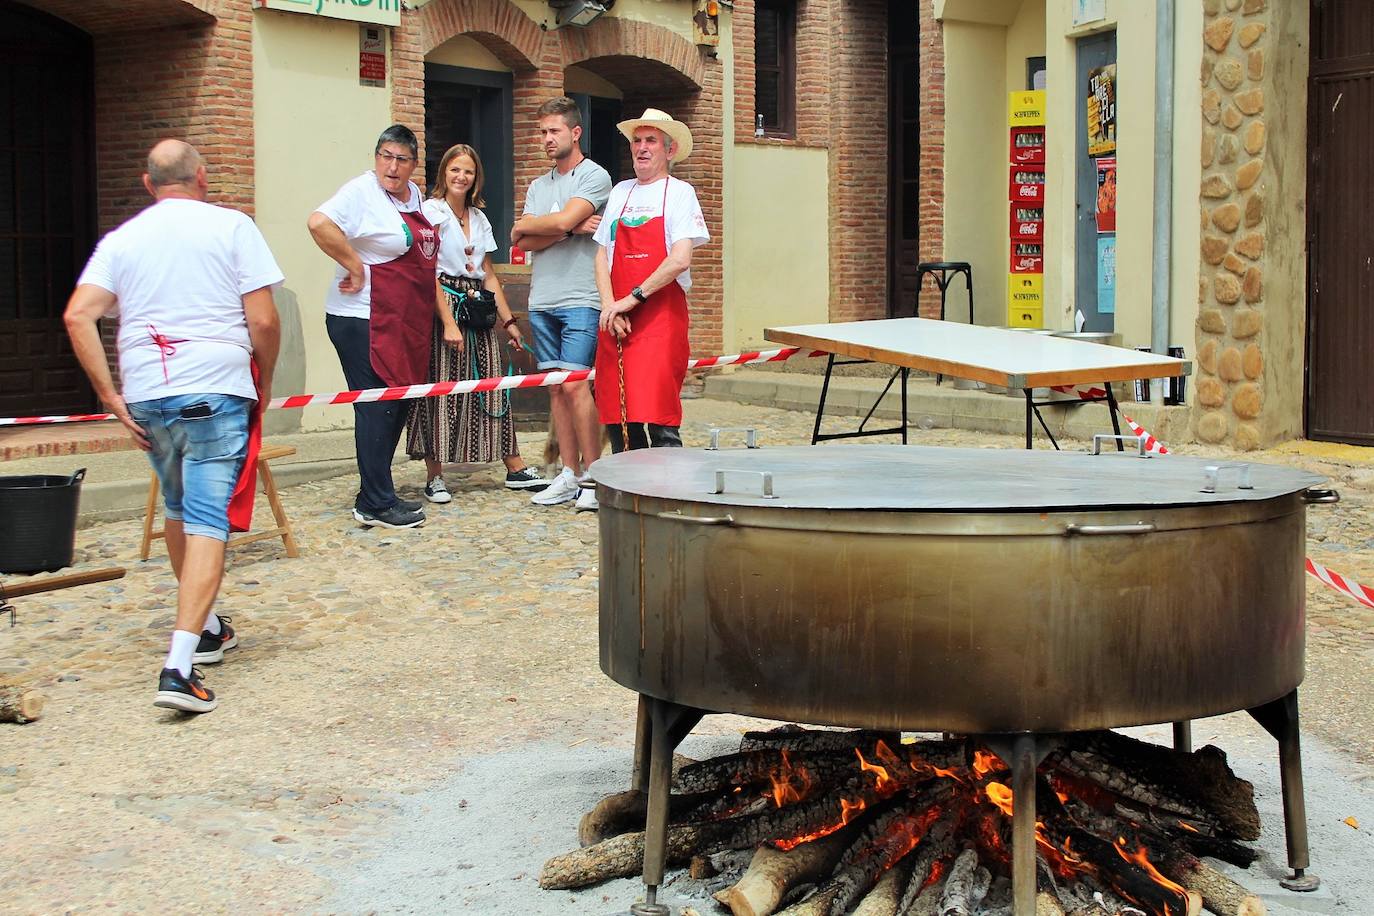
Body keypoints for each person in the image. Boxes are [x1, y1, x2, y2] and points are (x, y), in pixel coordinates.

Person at [63, 140, 282, 714]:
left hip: (149, 393)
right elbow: (262, 318)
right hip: (214, 383)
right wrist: (263, 379)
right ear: (203, 177)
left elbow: (77, 313)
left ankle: (207, 628)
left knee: (180, 512)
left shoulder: (121, 240)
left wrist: (111, 395)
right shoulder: (232, 227)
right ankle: (178, 668)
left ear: (147, 183)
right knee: (208, 518)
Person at [308, 124, 437, 529]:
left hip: (402, 320)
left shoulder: (415, 196)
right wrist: (354, 264)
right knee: (377, 407)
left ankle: (376, 491)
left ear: (414, 165)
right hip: (362, 318)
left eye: (401, 159)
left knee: (397, 403)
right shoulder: (360, 192)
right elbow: (318, 223)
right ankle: (375, 504)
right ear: (376, 157)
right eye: (385, 156)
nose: (392, 166)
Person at [405, 143, 548, 501]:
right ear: (444, 173)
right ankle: (435, 475)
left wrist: (509, 322)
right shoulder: (430, 212)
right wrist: (448, 323)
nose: (461, 176)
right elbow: (429, 273)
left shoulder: (479, 217)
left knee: (491, 383)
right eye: (455, 169)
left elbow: (487, 273)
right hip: (445, 304)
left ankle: (514, 466)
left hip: (477, 306)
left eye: (467, 171)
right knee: (441, 387)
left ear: (475, 177)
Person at [593, 109, 710, 481]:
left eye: (651, 141)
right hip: (618, 315)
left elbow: (679, 260)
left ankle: (667, 485)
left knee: (657, 403)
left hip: (659, 313)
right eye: (637, 141)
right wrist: (612, 306)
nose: (642, 149)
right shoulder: (620, 192)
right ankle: (627, 485)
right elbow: (601, 254)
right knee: (615, 404)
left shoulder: (679, 193)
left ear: (669, 150)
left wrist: (633, 299)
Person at [511, 97, 613, 510]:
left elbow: (547, 226)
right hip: (543, 298)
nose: (546, 139)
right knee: (555, 390)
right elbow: (521, 236)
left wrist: (549, 226)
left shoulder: (595, 177)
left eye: (554, 131)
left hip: (581, 297)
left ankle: (592, 476)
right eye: (542, 132)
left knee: (575, 386)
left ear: (575, 132)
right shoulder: (539, 185)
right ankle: (569, 474)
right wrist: (568, 230)